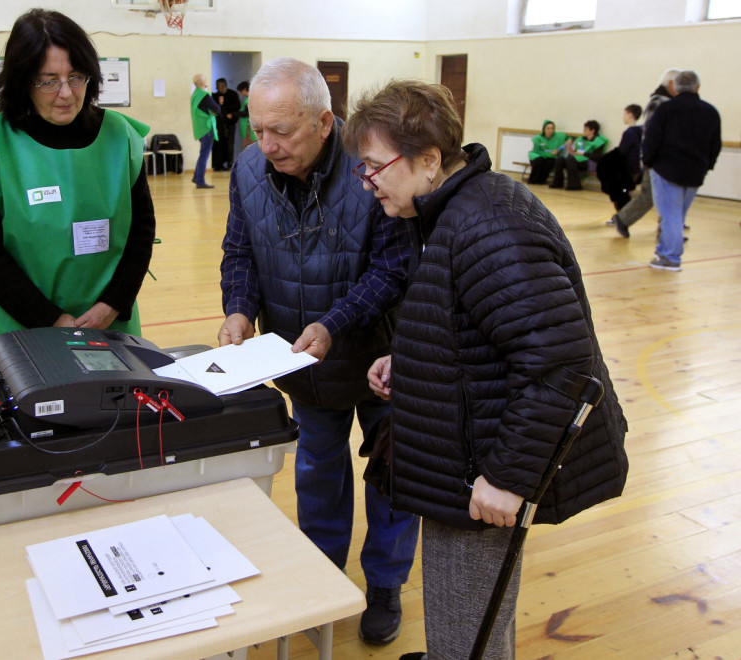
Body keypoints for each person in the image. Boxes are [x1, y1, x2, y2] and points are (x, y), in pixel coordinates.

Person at [342, 80, 629, 660]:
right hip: (467, 453)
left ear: (428, 160)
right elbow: (480, 325)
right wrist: (415, 358)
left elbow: (562, 368)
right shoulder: (451, 210)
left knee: (465, 635)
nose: (366, 183)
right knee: (466, 622)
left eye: (374, 168)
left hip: (484, 471)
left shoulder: (489, 225)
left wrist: (510, 478)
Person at [219, 57, 420, 647]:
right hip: (303, 363)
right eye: (257, 129)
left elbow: (393, 268)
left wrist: (335, 323)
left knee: (392, 474)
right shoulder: (250, 168)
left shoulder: (372, 170)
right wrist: (238, 308)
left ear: (325, 122)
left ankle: (384, 583)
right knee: (318, 473)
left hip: (382, 355)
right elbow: (239, 251)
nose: (266, 144)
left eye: (281, 130)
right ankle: (322, 573)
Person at [0, 8, 155, 368]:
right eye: (48, 80)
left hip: (110, 321)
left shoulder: (119, 136)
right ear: (22, 81)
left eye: (76, 77)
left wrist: (112, 304)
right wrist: (52, 320)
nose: (66, 93)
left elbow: (141, 229)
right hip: (22, 325)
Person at [643, 70, 721, 271]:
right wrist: (707, 166)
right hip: (695, 172)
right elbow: (715, 145)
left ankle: (671, 258)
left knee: (670, 216)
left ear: (675, 87)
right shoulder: (710, 112)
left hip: (666, 170)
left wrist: (648, 162)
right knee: (677, 216)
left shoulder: (667, 109)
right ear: (698, 87)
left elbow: (652, 138)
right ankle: (662, 250)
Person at [609, 68, 680, 237]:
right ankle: (623, 219)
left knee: (666, 196)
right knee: (650, 196)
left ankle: (668, 231)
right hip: (657, 159)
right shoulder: (660, 102)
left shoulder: (665, 101)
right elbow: (653, 133)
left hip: (662, 158)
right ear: (670, 84)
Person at [596, 104, 643, 211]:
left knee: (620, 192)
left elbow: (622, 151)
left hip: (628, 167)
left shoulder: (630, 132)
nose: (623, 117)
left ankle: (622, 215)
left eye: (625, 114)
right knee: (627, 191)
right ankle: (624, 215)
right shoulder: (640, 131)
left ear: (630, 115)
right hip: (636, 167)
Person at [549, 120, 608, 190]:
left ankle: (574, 185)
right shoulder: (580, 139)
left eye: (586, 129)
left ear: (592, 131)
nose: (584, 131)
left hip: (590, 162)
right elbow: (576, 151)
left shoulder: (599, 141)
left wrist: (583, 154)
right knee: (560, 159)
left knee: (570, 160)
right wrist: (573, 152)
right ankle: (557, 183)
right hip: (578, 159)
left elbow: (597, 157)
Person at [190, 73, 220, 188]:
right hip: (207, 128)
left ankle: (196, 176)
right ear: (203, 83)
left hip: (200, 129)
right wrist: (214, 112)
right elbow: (217, 109)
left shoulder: (195, 95)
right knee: (204, 155)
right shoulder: (204, 95)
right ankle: (200, 180)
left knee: (202, 154)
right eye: (205, 79)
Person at [212, 77, 241, 171]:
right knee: (219, 144)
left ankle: (229, 163)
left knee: (229, 143)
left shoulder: (233, 94)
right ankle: (218, 164)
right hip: (219, 124)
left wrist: (231, 114)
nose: (218, 89)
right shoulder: (215, 96)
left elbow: (237, 106)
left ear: (224, 86)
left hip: (230, 124)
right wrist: (220, 104)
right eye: (217, 87)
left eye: (220, 87)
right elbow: (214, 109)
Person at [526, 120, 565, 184]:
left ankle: (542, 180)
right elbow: (537, 151)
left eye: (552, 128)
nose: (550, 130)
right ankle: (532, 179)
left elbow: (567, 137)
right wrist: (548, 154)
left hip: (549, 156)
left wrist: (569, 140)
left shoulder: (556, 137)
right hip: (537, 155)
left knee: (550, 161)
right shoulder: (538, 138)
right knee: (539, 160)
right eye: (548, 128)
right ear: (544, 129)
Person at [237, 81, 256, 150]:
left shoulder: (249, 100)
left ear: (245, 89)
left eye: (240, 91)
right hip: (252, 126)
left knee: (248, 147)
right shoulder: (252, 98)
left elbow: (245, 113)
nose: (239, 93)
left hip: (249, 127)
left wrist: (234, 113)